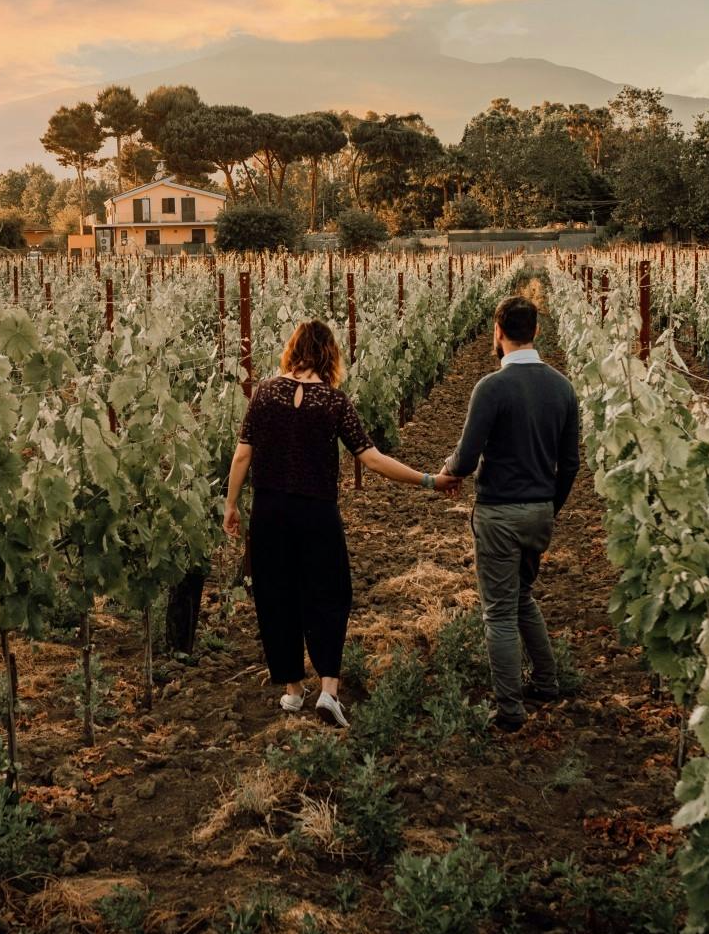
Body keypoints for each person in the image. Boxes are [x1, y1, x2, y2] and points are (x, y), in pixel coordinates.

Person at [224, 320, 450, 727]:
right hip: (316, 513)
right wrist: (428, 480)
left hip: (270, 512)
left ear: (293, 351)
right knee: (329, 593)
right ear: (330, 355)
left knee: (276, 596)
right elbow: (372, 458)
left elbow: (242, 456)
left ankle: (292, 690)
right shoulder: (333, 402)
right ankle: (328, 689)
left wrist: (231, 505)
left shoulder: (264, 395)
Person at [436, 294, 581, 732]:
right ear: (536, 331)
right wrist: (549, 507)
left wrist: (447, 472)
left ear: (498, 332)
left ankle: (510, 712)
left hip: (499, 513)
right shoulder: (562, 387)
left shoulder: (491, 388)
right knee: (522, 598)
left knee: (498, 612)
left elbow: (468, 454)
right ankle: (547, 680)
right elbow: (571, 463)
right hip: (540, 512)